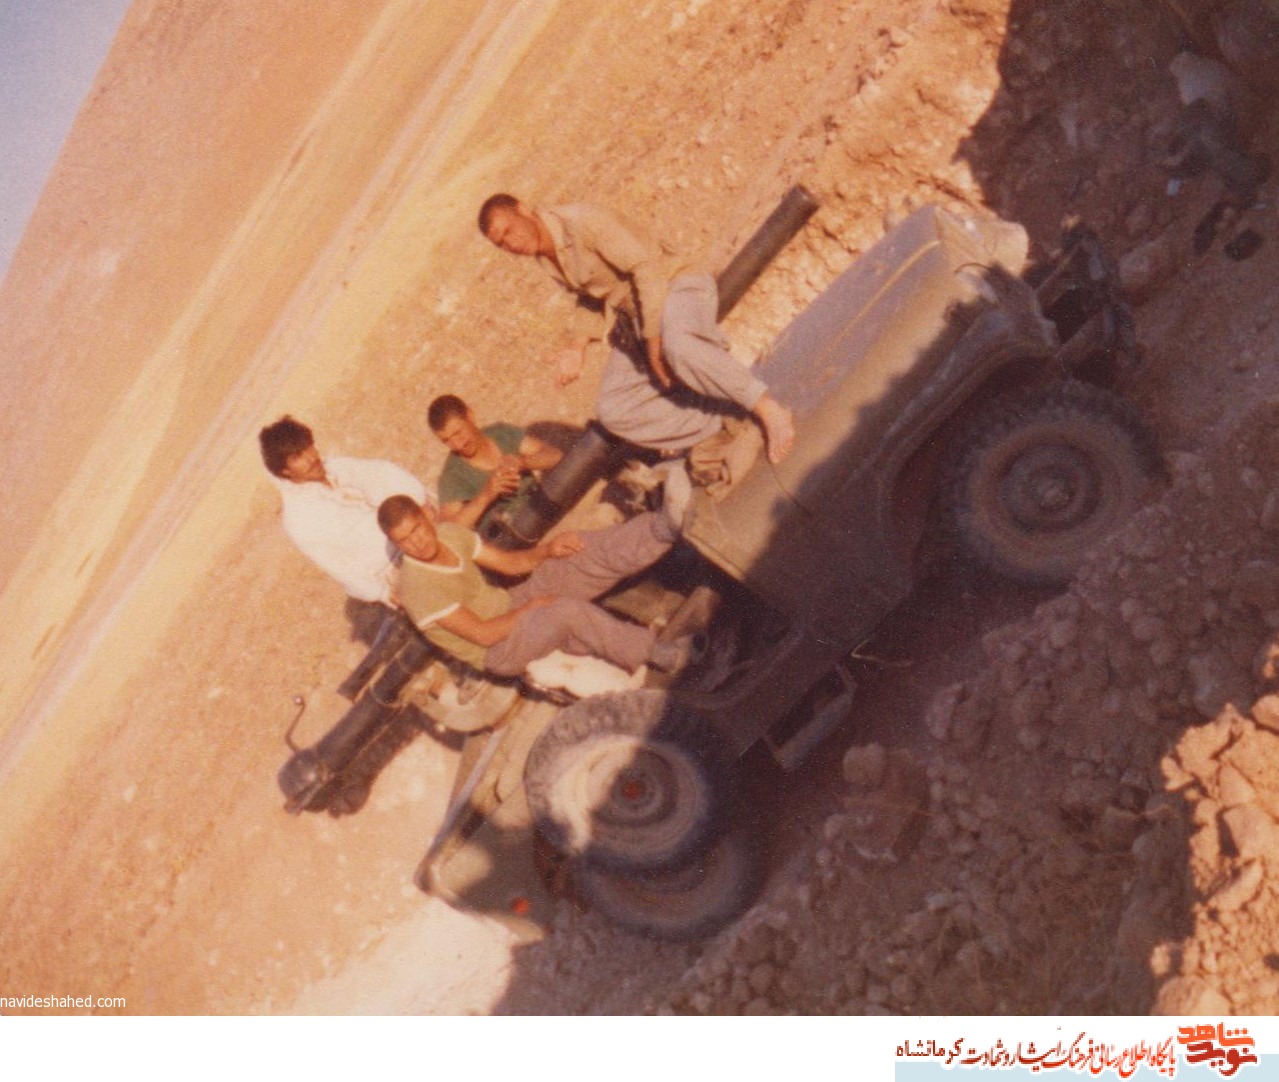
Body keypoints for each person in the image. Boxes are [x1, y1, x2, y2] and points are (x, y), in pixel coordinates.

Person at [477, 193, 796, 470]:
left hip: (674, 285)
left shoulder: (582, 222)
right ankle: (720, 422)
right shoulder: (546, 256)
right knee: (614, 409)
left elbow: (646, 269)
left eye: (509, 230)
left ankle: (766, 407)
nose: (511, 244)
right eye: (501, 243)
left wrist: (653, 341)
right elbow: (590, 295)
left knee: (678, 346)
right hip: (637, 316)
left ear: (523, 209)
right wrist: (577, 346)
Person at [377, 482, 697, 679]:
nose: (417, 542)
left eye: (417, 529)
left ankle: (662, 528)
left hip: (510, 603)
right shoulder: (419, 590)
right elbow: (483, 634)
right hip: (499, 650)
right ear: (395, 543)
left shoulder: (449, 534)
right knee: (565, 613)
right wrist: (534, 607)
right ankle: (659, 654)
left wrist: (547, 550)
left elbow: (510, 564)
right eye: (404, 540)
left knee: (575, 550)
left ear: (427, 516)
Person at [259, 415, 436, 607]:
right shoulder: (299, 517)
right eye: (297, 457)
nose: (311, 458)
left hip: (416, 536)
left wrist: (420, 502)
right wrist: (382, 592)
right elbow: (335, 565)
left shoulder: (338, 467)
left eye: (308, 447)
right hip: (391, 569)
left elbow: (385, 473)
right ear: (285, 471)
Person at [428, 393, 563, 533]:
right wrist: (487, 494)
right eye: (446, 440)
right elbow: (449, 530)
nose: (458, 445)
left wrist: (522, 463)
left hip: (544, 512)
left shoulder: (500, 433)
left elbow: (554, 455)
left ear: (470, 416)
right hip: (513, 537)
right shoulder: (452, 476)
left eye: (458, 433)